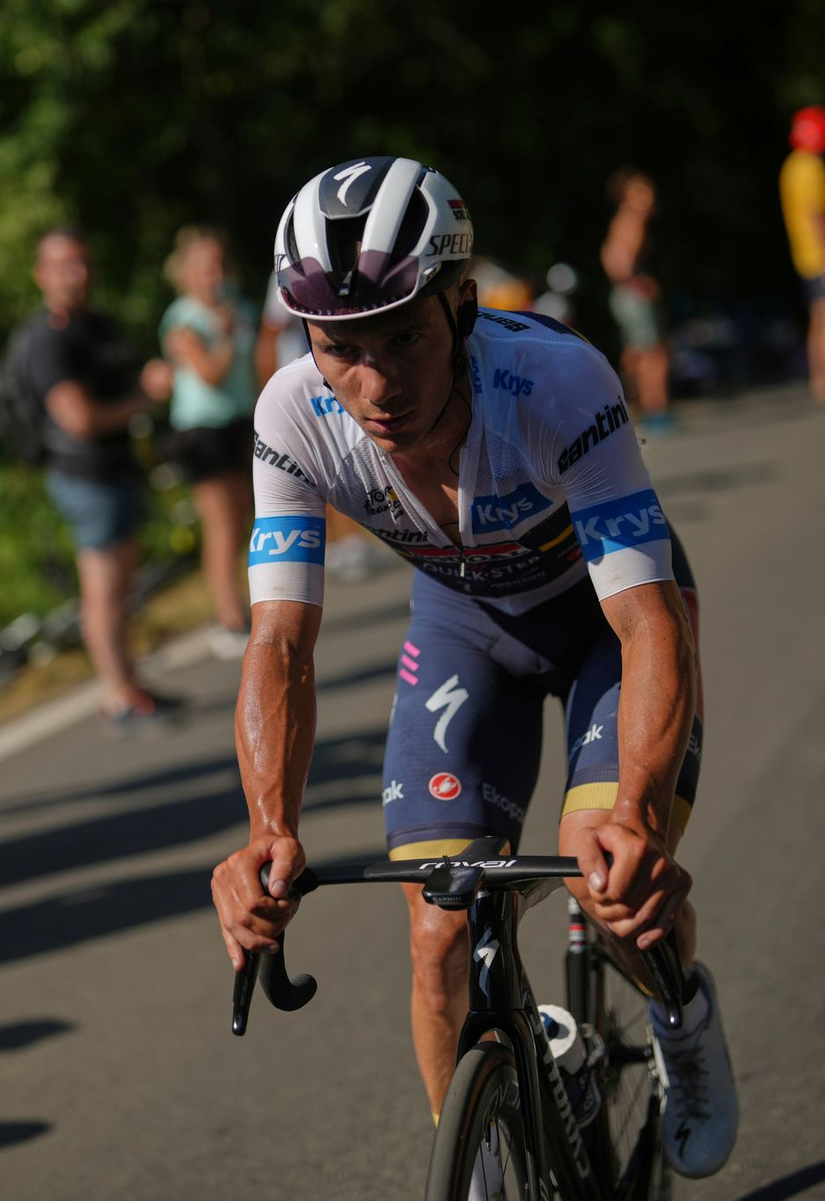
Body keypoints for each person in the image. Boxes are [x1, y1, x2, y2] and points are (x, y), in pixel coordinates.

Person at [210, 157, 737, 1180]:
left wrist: (634, 803)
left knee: (605, 871)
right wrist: (268, 827)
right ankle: (486, 1167)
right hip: (466, 623)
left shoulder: (558, 383)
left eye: (403, 338)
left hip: (605, 621)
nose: (374, 383)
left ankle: (682, 1012)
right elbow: (279, 644)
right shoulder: (290, 418)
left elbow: (647, 620)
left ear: (462, 306)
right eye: (339, 349)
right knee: (437, 931)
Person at [20, 227, 178, 734]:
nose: (78, 273)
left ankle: (130, 683)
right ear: (40, 274)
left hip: (117, 468)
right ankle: (119, 696)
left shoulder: (96, 324)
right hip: (83, 476)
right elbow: (78, 420)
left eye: (83, 261)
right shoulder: (48, 339)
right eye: (64, 264)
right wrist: (144, 398)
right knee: (103, 589)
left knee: (121, 583)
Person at [159, 228, 255, 659]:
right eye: (203, 267)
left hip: (243, 421)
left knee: (252, 520)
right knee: (222, 526)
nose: (213, 274)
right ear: (186, 273)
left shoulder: (238, 306)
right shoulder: (182, 319)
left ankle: (254, 605)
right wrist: (229, 337)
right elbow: (209, 373)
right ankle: (229, 618)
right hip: (202, 431)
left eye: (218, 264)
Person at [256, 269, 382, 583]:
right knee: (323, 461)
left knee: (345, 454)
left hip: (338, 371)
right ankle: (334, 543)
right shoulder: (287, 274)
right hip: (304, 380)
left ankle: (349, 539)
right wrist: (271, 390)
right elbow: (270, 334)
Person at [601, 169, 672, 430]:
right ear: (626, 196)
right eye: (640, 191)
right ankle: (656, 411)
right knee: (655, 353)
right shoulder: (632, 220)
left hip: (623, 294)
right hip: (632, 295)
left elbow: (608, 253)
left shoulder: (622, 220)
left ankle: (630, 408)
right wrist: (635, 282)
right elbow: (616, 259)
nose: (648, 196)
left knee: (636, 353)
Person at [779, 104, 825, 403]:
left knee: (818, 319)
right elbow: (817, 215)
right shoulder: (810, 167)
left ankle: (819, 380)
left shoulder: (792, 166)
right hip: (818, 255)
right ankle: (821, 381)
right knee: (822, 319)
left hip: (805, 255)